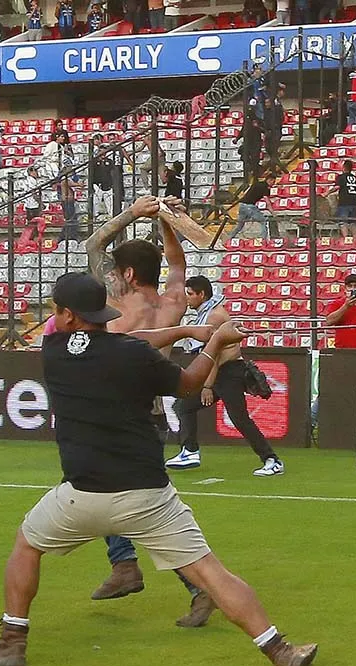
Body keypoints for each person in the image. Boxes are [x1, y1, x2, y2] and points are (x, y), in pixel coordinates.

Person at [0, 272, 318, 666]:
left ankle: (11, 642)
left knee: (26, 545)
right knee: (209, 572)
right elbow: (186, 384)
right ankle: (280, 651)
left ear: (66, 315)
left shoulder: (53, 348)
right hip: (147, 497)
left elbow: (125, 345)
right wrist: (215, 342)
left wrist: (186, 329)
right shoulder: (131, 355)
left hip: (81, 495)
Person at [86, 195, 216, 626]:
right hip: (152, 412)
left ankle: (189, 583)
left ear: (124, 273)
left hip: (110, 410)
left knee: (129, 502)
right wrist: (165, 220)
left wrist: (135, 213)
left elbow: (93, 244)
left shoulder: (117, 296)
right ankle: (125, 564)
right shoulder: (173, 300)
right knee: (104, 491)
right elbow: (178, 263)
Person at [167, 275, 283, 478]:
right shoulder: (209, 313)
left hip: (228, 372)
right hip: (221, 372)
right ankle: (190, 451)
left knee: (239, 419)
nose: (188, 299)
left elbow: (216, 353)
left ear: (202, 294)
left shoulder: (214, 316)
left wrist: (207, 386)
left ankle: (271, 460)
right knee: (184, 406)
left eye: (190, 294)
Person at [230, 172, 272, 240]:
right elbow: (267, 202)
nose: (273, 184)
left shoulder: (256, 183)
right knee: (263, 221)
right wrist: (273, 212)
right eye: (273, 181)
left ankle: (229, 239)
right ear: (270, 180)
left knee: (240, 225)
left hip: (242, 205)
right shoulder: (265, 187)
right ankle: (264, 241)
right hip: (249, 206)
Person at [324, 272, 356, 347]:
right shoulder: (337, 303)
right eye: (350, 286)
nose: (353, 289)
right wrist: (346, 306)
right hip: (343, 349)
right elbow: (329, 322)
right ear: (345, 289)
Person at [333, 159, 356, 242]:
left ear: (343, 167)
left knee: (343, 222)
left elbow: (337, 187)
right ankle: (355, 240)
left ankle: (347, 240)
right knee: (353, 222)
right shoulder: (355, 178)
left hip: (344, 202)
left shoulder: (341, 177)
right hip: (354, 201)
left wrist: (326, 193)